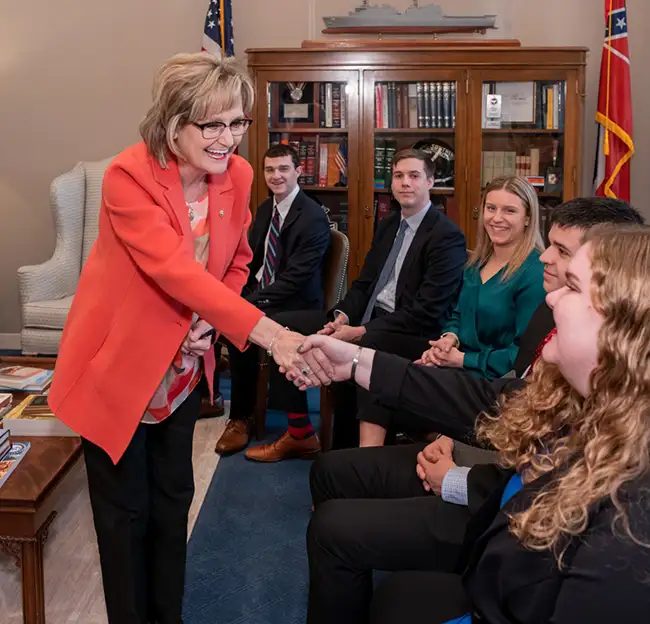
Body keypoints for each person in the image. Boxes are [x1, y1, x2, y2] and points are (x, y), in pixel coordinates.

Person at [46, 52, 332, 624]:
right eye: (213, 124)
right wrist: (270, 334)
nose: (227, 139)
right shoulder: (129, 178)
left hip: (183, 370)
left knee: (173, 500)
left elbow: (237, 263)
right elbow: (171, 270)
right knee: (124, 514)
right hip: (119, 368)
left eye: (237, 123)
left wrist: (206, 322)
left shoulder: (239, 177)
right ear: (174, 121)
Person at [283, 198, 644, 622]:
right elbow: (492, 401)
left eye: (574, 285)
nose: (553, 300)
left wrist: (455, 479)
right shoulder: (593, 403)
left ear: (622, 327)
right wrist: (356, 361)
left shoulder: (632, 520)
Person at [244, 148, 467, 460]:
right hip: (369, 318)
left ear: (430, 182)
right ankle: (300, 433)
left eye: (414, 176)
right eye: (399, 176)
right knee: (288, 327)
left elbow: (426, 311)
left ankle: (350, 459)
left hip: (412, 330)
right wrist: (342, 316)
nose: (405, 183)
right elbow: (365, 284)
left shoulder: (447, 236)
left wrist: (359, 331)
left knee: (367, 346)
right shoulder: (389, 226)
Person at [359, 175, 546, 446]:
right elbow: (456, 315)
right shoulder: (476, 263)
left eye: (509, 210)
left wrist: (460, 360)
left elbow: (521, 359)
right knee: (379, 371)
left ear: (528, 218)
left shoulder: (534, 274)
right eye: (491, 208)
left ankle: (428, 449)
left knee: (389, 384)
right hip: (455, 365)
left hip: (491, 382)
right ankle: (370, 462)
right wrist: (448, 340)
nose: (497, 218)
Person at [215, 144, 331, 455]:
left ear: (298, 172)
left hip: (297, 304)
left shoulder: (313, 217)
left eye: (283, 169)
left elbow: (295, 280)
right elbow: (252, 261)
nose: (276, 176)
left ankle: (241, 417)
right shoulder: (267, 209)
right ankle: (210, 398)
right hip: (266, 294)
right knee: (214, 303)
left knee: (241, 322)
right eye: (270, 170)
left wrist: (250, 304)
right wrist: (233, 291)